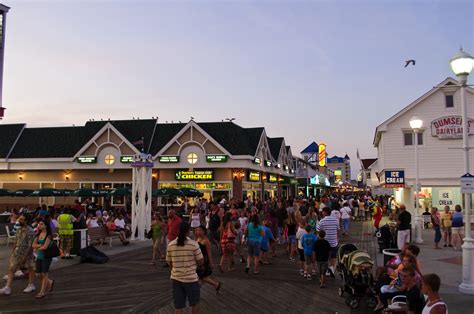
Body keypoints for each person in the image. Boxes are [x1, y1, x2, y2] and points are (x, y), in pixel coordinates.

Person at [166, 222, 204, 314]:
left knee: (178, 306)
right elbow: (200, 261)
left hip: (176, 279)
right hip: (191, 279)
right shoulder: (194, 244)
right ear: (188, 232)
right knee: (195, 303)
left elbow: (169, 262)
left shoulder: (171, 245)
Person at [0, 214, 36, 296]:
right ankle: (7, 288)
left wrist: (25, 256)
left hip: (27, 253)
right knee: (11, 268)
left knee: (30, 269)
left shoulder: (30, 231)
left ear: (26, 220)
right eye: (19, 219)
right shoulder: (19, 229)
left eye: (22, 219)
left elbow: (30, 246)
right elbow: (16, 242)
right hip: (17, 252)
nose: (19, 221)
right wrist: (12, 253)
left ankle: (31, 284)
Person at [32, 219, 55, 299]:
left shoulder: (48, 235)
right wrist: (39, 246)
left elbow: (45, 247)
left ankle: (42, 292)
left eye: (41, 224)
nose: (39, 225)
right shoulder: (38, 234)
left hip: (47, 256)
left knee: (44, 274)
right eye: (39, 224)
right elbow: (33, 245)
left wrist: (38, 246)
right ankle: (50, 282)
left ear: (46, 226)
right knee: (38, 274)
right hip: (39, 256)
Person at [195, 225, 221, 294]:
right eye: (197, 230)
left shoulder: (206, 241)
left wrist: (211, 263)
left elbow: (209, 253)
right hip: (198, 260)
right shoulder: (197, 239)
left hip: (204, 261)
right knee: (202, 277)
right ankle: (216, 285)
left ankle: (196, 290)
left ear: (204, 231)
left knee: (202, 277)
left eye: (200, 230)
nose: (198, 232)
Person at [316, 207, 339, 277]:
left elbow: (317, 231)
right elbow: (338, 230)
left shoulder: (322, 221)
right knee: (333, 256)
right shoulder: (336, 220)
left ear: (325, 212)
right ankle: (332, 269)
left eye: (323, 211)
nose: (322, 213)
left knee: (326, 257)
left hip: (325, 243)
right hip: (333, 241)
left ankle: (327, 271)